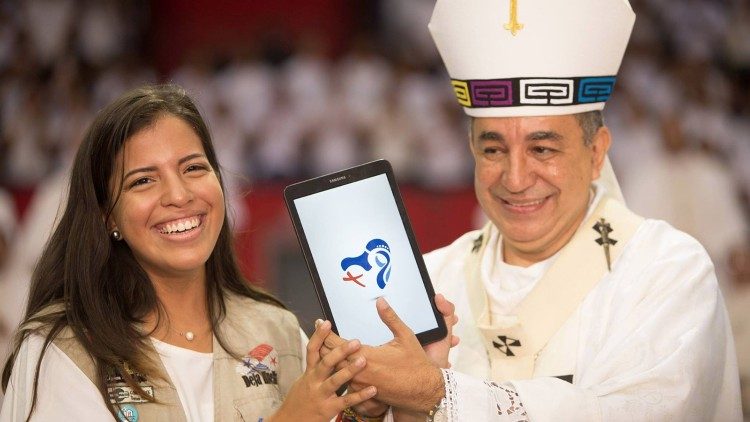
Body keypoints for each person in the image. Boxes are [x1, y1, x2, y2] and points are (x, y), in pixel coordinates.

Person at [322, 0, 742, 420]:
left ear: (596, 152)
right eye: (493, 150)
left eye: (542, 149)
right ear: (472, 150)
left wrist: (437, 393)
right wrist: (373, 409)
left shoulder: (667, 270)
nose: (516, 178)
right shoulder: (428, 282)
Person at [0, 84, 378, 421]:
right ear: (107, 215)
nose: (179, 195)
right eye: (143, 180)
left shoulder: (275, 328)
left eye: (194, 168)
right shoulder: (63, 350)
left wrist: (371, 409)